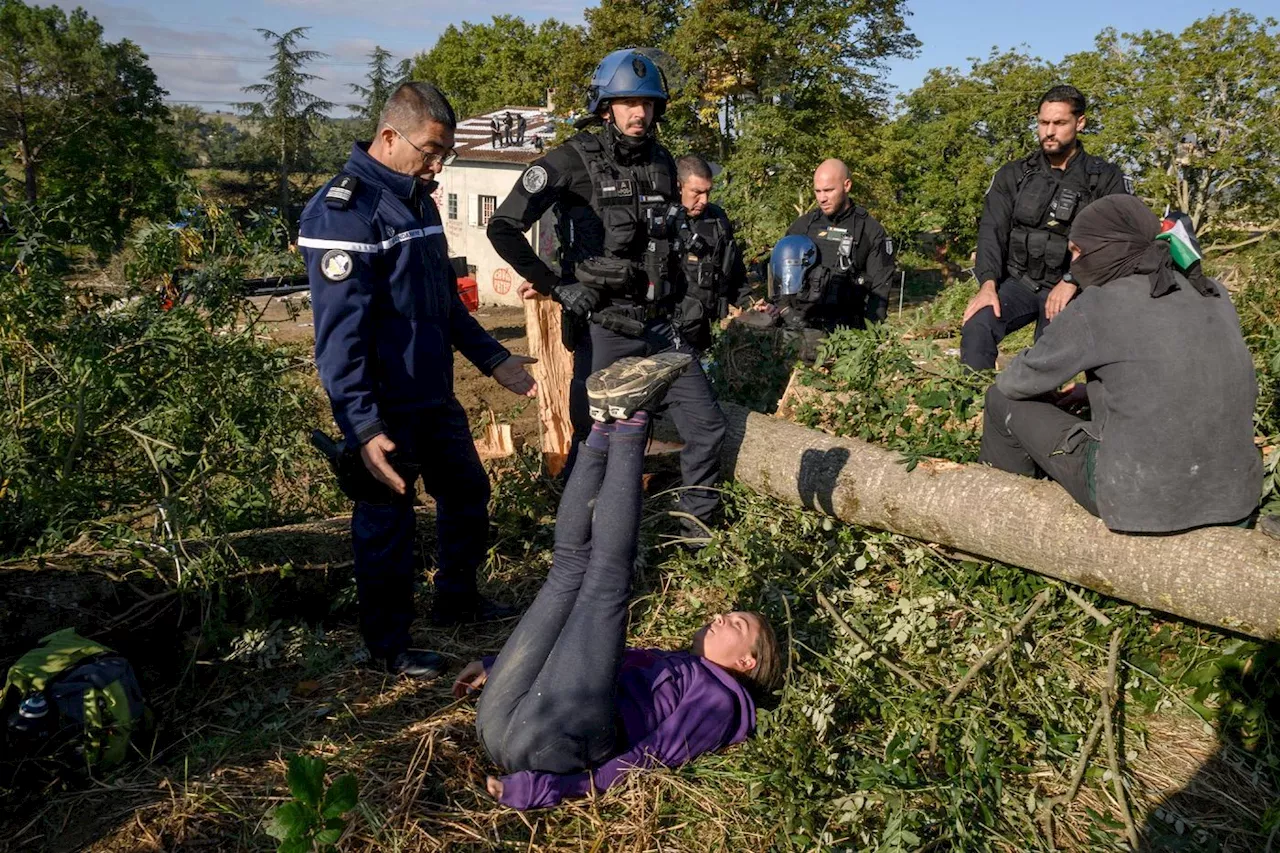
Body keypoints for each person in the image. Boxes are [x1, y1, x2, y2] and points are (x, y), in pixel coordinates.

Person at [453, 354, 785, 809]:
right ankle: (604, 422)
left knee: (606, 579)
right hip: (505, 718)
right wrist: (498, 665)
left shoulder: (721, 701)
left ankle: (634, 418)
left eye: (737, 624)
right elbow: (573, 656)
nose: (721, 616)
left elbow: (650, 757)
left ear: (747, 663)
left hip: (550, 746)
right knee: (568, 568)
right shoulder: (672, 662)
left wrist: (549, 789)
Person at [300, 82, 538, 679]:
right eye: (430, 152)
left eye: (444, 155)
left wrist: (494, 360)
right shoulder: (344, 211)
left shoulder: (419, 200)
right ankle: (389, 647)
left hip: (433, 393)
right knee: (388, 521)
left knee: (466, 494)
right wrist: (362, 425)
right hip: (384, 406)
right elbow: (338, 340)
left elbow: (445, 306)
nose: (437, 165)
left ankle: (457, 599)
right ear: (389, 136)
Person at [487, 48, 728, 541]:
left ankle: (695, 534)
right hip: (605, 329)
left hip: (661, 328)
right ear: (605, 106)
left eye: (648, 103)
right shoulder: (570, 160)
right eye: (627, 103)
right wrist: (558, 286)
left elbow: (670, 239)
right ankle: (581, 542)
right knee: (600, 444)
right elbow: (504, 227)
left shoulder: (664, 162)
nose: (639, 113)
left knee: (707, 428)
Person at [979, 194, 1261, 532]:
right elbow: (1186, 367)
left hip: (1137, 499)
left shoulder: (1099, 304)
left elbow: (1017, 381)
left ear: (1104, 247)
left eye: (1076, 251)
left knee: (1000, 399)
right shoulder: (1212, 291)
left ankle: (1004, 523)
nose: (1073, 264)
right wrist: (1094, 391)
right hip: (1236, 499)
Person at [961, 85, 1131, 370]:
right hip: (1019, 282)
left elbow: (1115, 240)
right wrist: (987, 285)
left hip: (1071, 288)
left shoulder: (1106, 178)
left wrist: (1072, 280)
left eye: (1059, 123)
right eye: (1043, 123)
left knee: (1045, 363)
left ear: (1080, 123)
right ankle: (979, 402)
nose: (1049, 131)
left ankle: (1040, 409)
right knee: (978, 326)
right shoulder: (1012, 174)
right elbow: (991, 232)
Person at [773, 159, 896, 332]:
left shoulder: (870, 231)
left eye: (829, 191)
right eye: (818, 191)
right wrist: (786, 313)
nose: (822, 198)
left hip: (846, 335)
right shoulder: (802, 226)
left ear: (847, 186)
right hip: (799, 329)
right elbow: (779, 277)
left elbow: (880, 293)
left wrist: (868, 341)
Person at [672, 154, 749, 352]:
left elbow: (734, 273)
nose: (704, 200)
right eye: (696, 192)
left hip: (706, 331)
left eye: (708, 192)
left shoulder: (717, 219)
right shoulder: (661, 221)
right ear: (678, 186)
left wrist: (750, 303)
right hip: (669, 331)